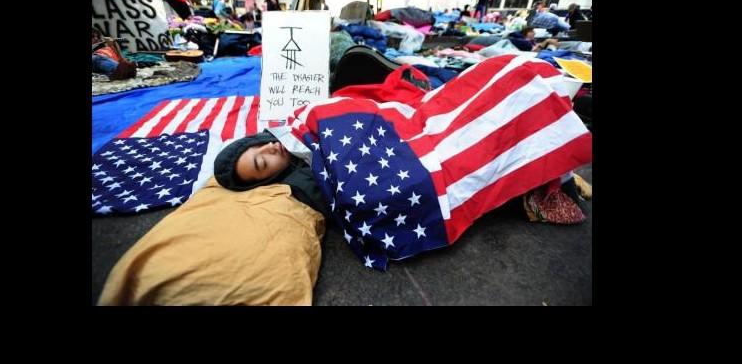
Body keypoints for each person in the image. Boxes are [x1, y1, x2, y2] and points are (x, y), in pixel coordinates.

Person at [215, 55, 592, 269]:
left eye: (259, 151)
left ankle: (551, 99)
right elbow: (348, 199)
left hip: (409, 124)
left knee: (504, 78)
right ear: (266, 180)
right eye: (262, 167)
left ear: (257, 140)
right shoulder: (303, 182)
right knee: (462, 156)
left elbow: (357, 110)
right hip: (408, 162)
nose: (270, 155)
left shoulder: (296, 123)